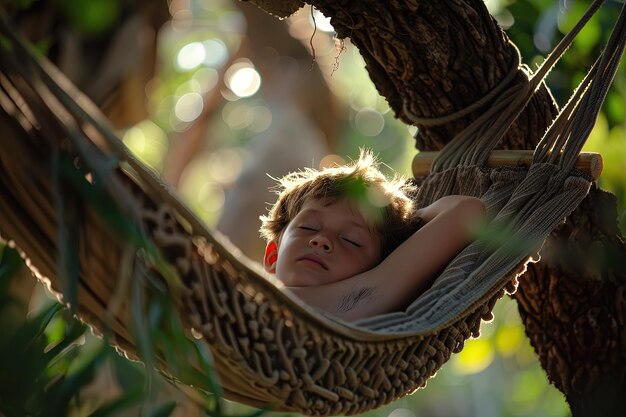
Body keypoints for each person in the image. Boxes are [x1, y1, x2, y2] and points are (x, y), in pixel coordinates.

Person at [259, 150, 486, 321]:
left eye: (351, 240)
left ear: (384, 262)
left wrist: (401, 228)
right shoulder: (245, 297)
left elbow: (467, 211)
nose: (322, 240)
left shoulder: (370, 294)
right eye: (308, 227)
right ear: (272, 256)